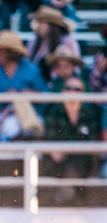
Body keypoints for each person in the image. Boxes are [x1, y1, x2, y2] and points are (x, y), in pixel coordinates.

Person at [42, 75, 102, 205]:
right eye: (68, 88)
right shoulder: (53, 113)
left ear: (83, 94)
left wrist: (69, 150)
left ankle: (65, 189)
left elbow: (91, 145)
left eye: (77, 89)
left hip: (80, 164)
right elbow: (53, 148)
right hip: (60, 164)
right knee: (77, 159)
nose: (72, 92)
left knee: (82, 159)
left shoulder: (88, 116)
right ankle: (67, 189)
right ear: (63, 91)